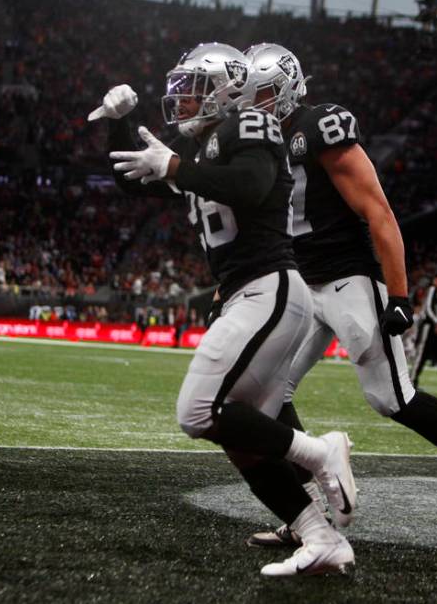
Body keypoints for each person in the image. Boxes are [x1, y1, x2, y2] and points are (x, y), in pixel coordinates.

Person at [242, 43, 437, 550]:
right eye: (250, 97)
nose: (258, 105)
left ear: (290, 87)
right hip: (303, 281)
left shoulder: (319, 127)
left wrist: (399, 293)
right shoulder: (259, 142)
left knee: (391, 398)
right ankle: (305, 514)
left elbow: (378, 209)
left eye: (265, 94)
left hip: (348, 279)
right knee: (265, 392)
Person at [90, 43, 357, 576]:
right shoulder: (206, 151)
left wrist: (172, 164)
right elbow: (130, 177)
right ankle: (320, 538)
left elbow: (252, 186)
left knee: (197, 411)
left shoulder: (248, 126)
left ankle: (321, 452)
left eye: (190, 92)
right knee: (240, 437)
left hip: (270, 288)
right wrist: (122, 125)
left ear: (224, 90)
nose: (180, 104)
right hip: (249, 293)